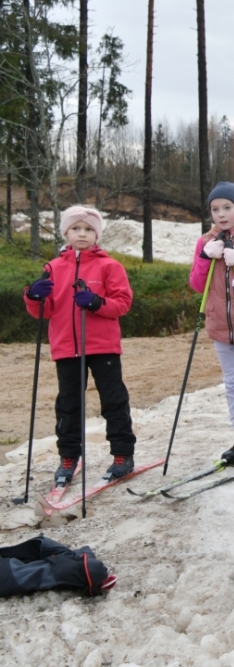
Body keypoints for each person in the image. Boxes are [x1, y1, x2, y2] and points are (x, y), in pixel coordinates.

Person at [24, 205, 137, 486]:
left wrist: (97, 303)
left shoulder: (109, 266)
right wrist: (33, 296)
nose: (82, 234)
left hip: (103, 346)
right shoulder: (53, 267)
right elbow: (44, 311)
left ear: (96, 234)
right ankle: (69, 456)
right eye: (76, 228)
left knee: (113, 400)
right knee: (68, 404)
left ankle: (123, 454)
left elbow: (123, 303)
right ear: (66, 232)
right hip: (66, 346)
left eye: (88, 229)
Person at [189, 182, 234, 466]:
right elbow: (196, 284)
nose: (221, 214)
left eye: (227, 207)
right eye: (215, 209)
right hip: (219, 327)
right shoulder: (205, 242)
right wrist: (205, 257)